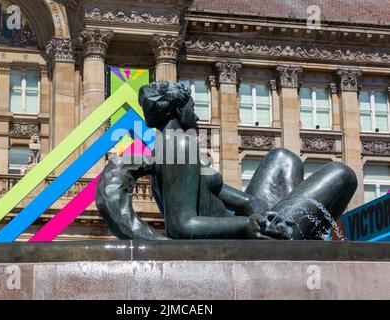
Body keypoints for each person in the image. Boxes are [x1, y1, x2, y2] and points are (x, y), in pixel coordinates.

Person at [96, 81, 358, 241]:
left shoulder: (172, 147)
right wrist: (249, 225)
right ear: (177, 109)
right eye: (191, 107)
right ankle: (292, 247)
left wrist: (256, 213)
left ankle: (288, 236)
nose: (196, 116)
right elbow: (182, 227)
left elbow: (240, 199)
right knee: (342, 174)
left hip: (254, 229)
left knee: (283, 157)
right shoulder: (179, 146)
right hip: (247, 241)